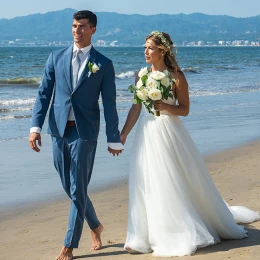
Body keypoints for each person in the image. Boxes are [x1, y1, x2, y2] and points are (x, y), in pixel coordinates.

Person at [120, 31, 259, 257]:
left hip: (168, 132)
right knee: (145, 180)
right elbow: (136, 107)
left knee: (168, 179)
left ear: (162, 51)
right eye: (145, 48)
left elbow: (184, 109)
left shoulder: (176, 77)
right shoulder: (141, 74)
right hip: (145, 133)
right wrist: (123, 133)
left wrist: (163, 106)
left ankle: (174, 231)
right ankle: (141, 236)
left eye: (150, 48)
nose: (145, 52)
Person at [29, 10, 123, 260]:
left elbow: (110, 104)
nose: (76, 30)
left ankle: (69, 245)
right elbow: (43, 95)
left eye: (82, 26)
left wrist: (113, 138)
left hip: (85, 133)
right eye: (73, 26)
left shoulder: (103, 64)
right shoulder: (55, 57)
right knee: (69, 187)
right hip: (58, 130)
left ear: (93, 30)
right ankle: (95, 225)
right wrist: (35, 127)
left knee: (78, 187)